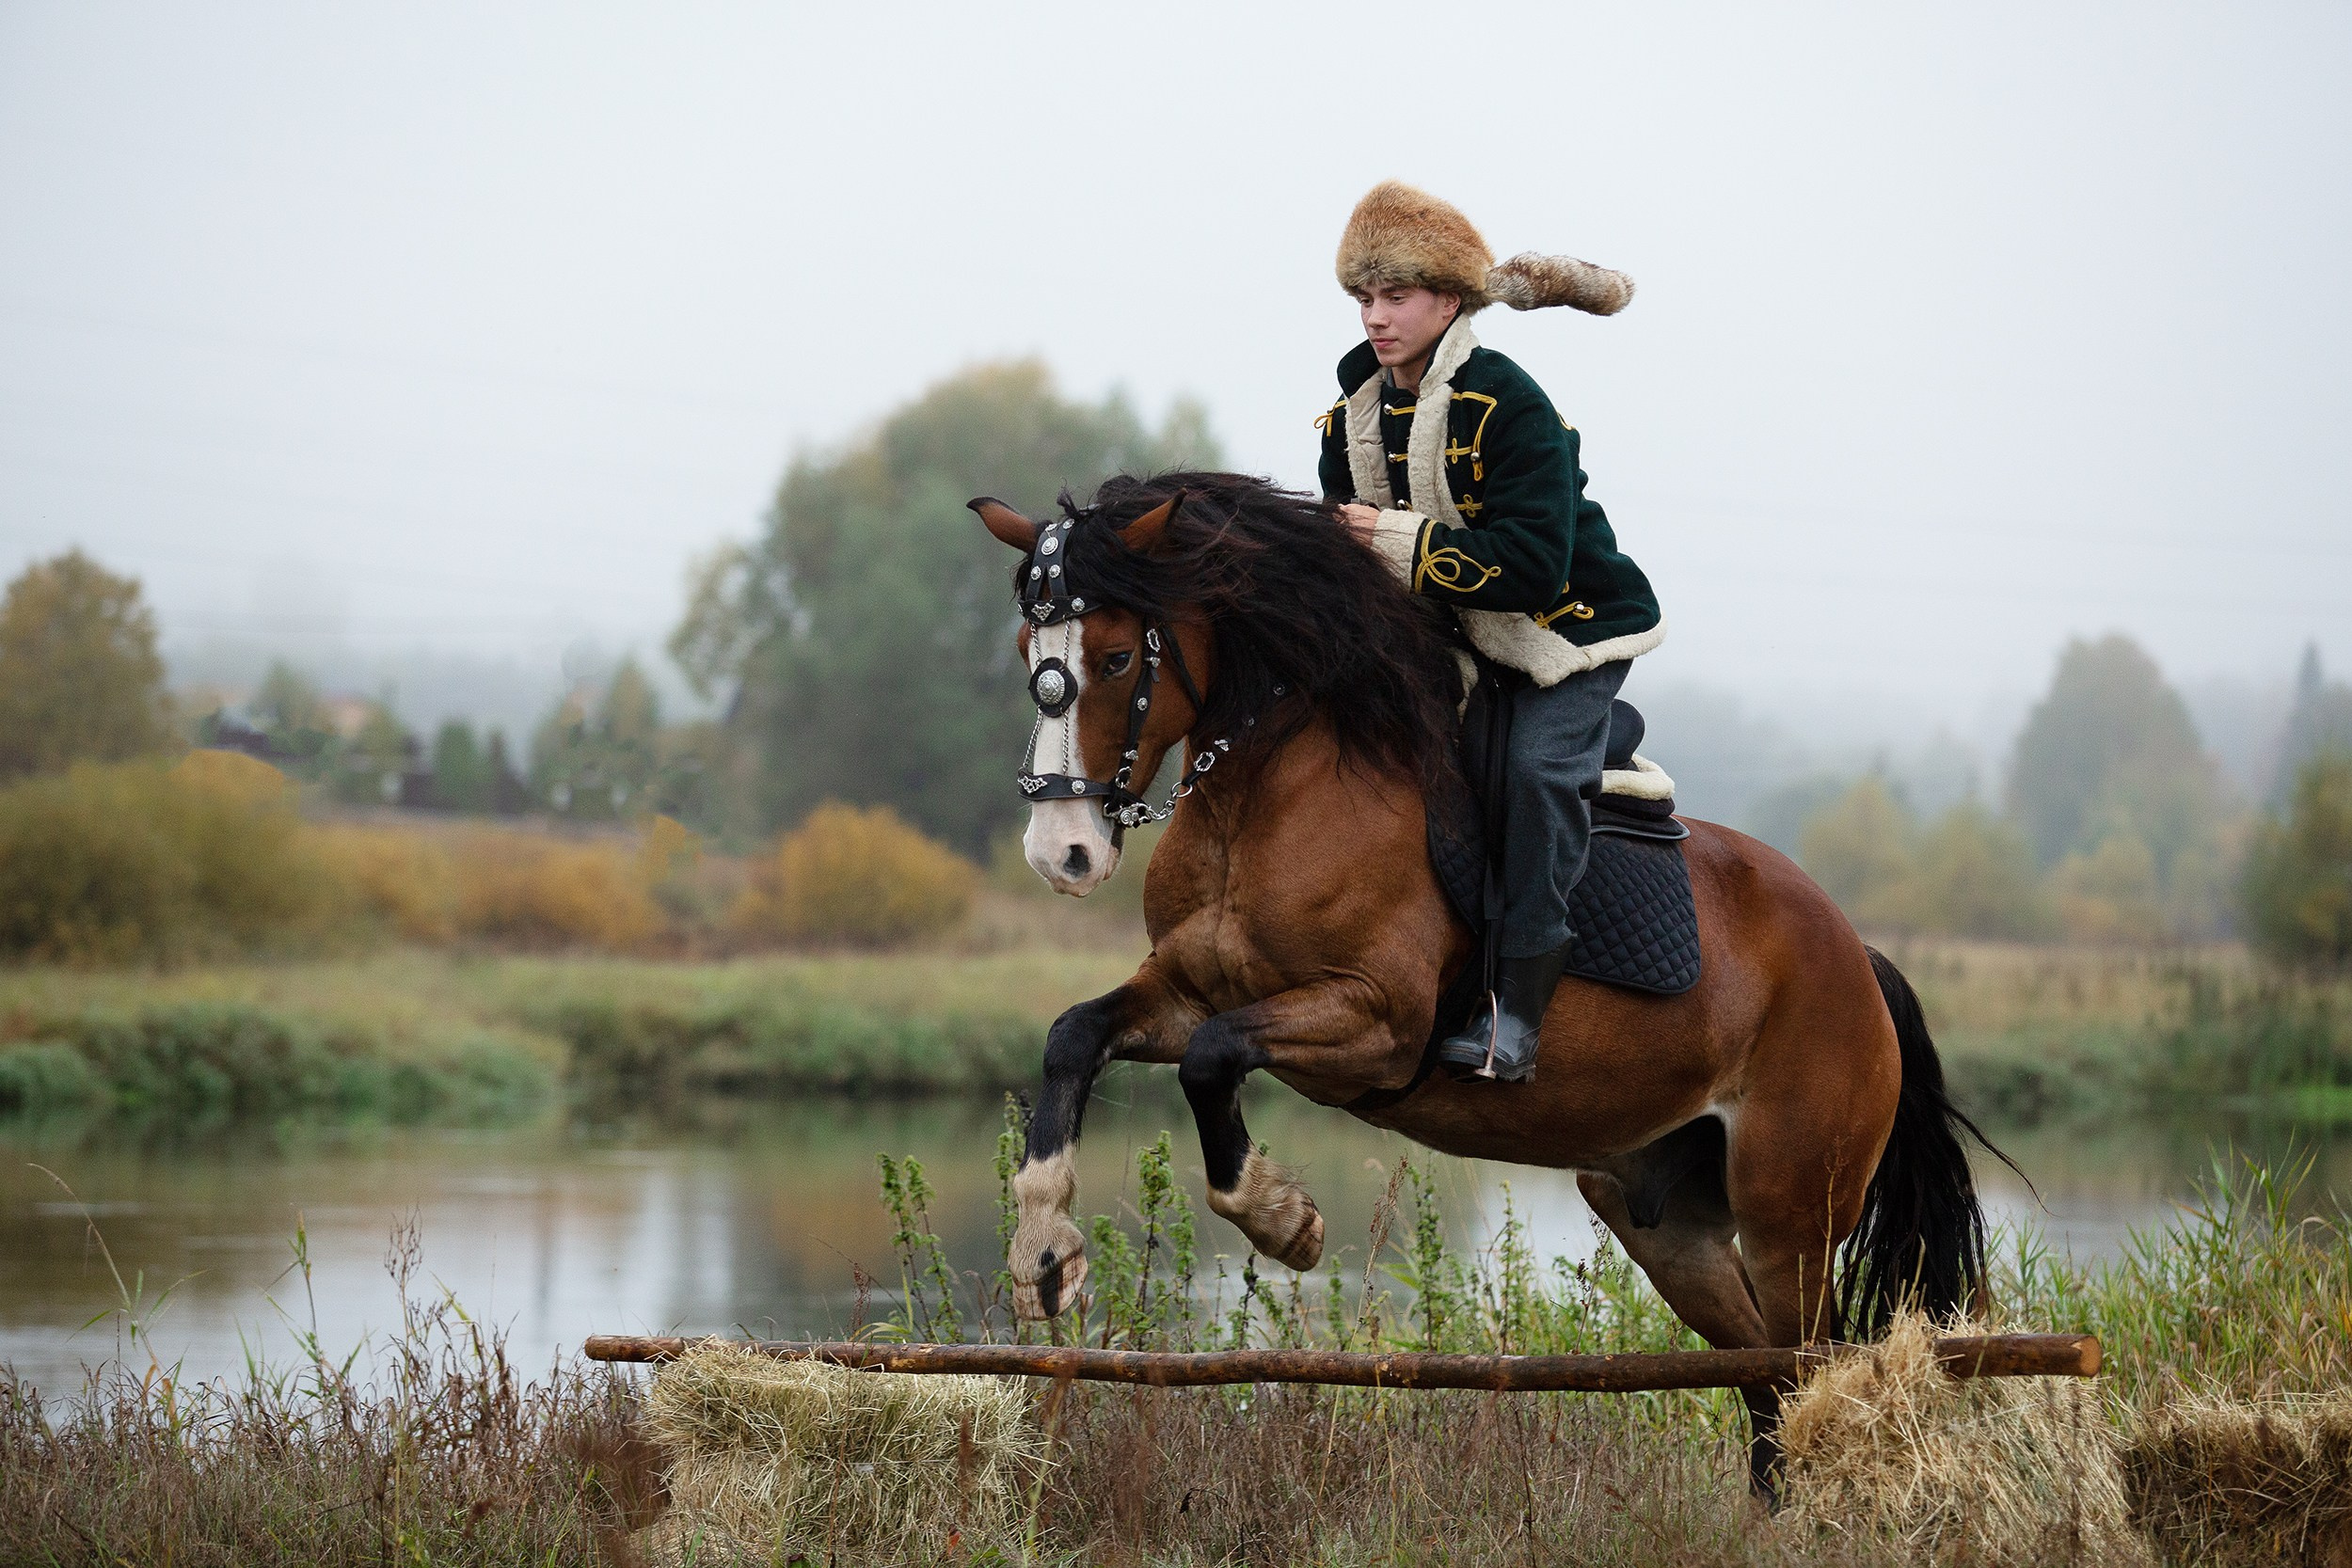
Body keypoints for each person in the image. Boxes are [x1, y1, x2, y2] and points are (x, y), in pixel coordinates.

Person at [1317, 181, 1663, 1083]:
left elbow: (1535, 567)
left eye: (1396, 297)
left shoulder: (1511, 405)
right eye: (1366, 298)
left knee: (1532, 771)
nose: (1376, 317)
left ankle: (1518, 1012)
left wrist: (1390, 540)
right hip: (1446, 632)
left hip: (1564, 630)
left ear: (1449, 302)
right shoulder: (1348, 410)